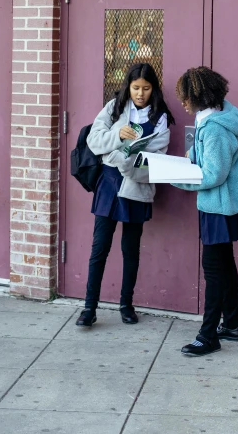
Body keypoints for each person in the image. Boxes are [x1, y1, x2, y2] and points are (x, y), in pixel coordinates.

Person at [77, 63, 175, 328]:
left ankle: (126, 304)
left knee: (130, 250)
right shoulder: (115, 107)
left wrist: (123, 161)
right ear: (128, 87)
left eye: (145, 88)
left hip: (136, 188)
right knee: (99, 248)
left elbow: (154, 162)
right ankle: (89, 308)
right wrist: (117, 135)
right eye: (135, 88)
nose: (140, 94)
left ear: (153, 88)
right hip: (109, 186)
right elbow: (95, 141)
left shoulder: (161, 118)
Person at [173, 66, 238, 356]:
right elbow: (207, 161)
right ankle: (231, 325)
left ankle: (208, 336)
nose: (182, 102)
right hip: (220, 205)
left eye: (186, 97)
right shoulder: (213, 116)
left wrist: (175, 176)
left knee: (214, 271)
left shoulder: (216, 128)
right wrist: (190, 158)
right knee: (225, 267)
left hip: (219, 208)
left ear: (199, 95)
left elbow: (214, 175)